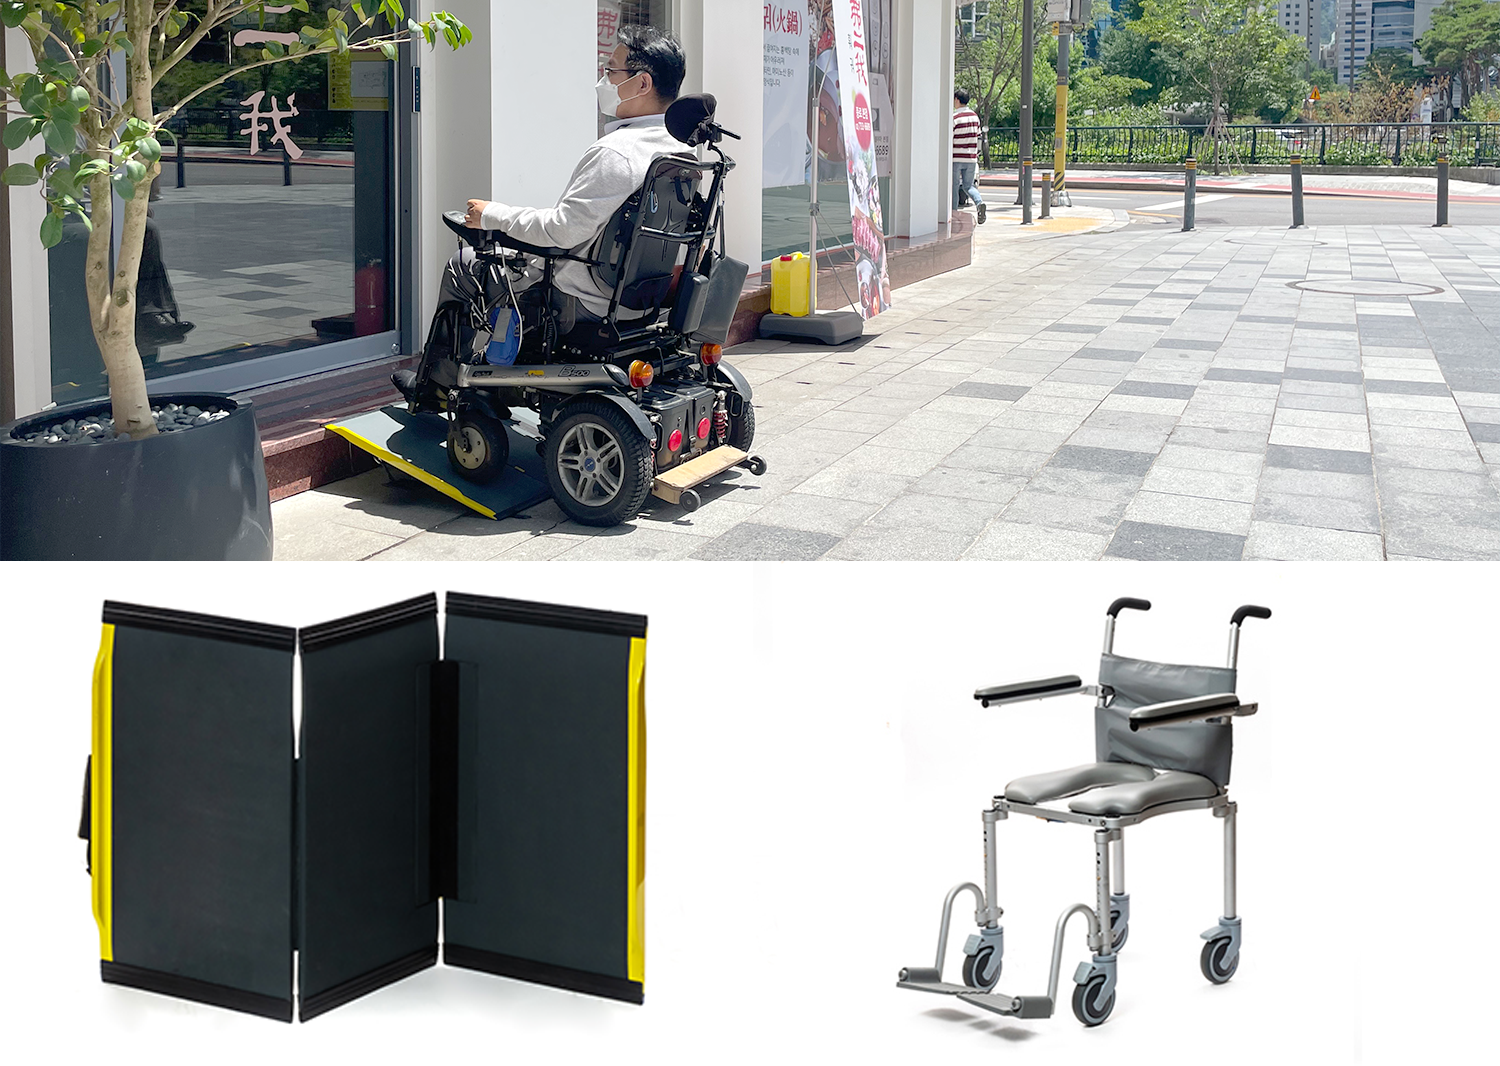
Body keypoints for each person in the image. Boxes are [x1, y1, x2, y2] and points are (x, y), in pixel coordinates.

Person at [395, 24, 687, 406]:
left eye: (611, 71)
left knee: (464, 264)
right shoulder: (679, 152)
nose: (603, 79)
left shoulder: (617, 152)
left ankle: (436, 386)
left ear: (642, 83)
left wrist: (492, 215)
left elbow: (562, 231)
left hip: (580, 301)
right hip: (637, 297)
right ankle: (490, 377)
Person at [952, 90, 985, 224]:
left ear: (957, 100)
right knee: (969, 186)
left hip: (956, 157)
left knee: (953, 187)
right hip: (971, 158)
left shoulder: (955, 117)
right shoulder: (975, 117)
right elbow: (978, 137)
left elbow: (950, 137)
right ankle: (979, 203)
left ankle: (953, 214)